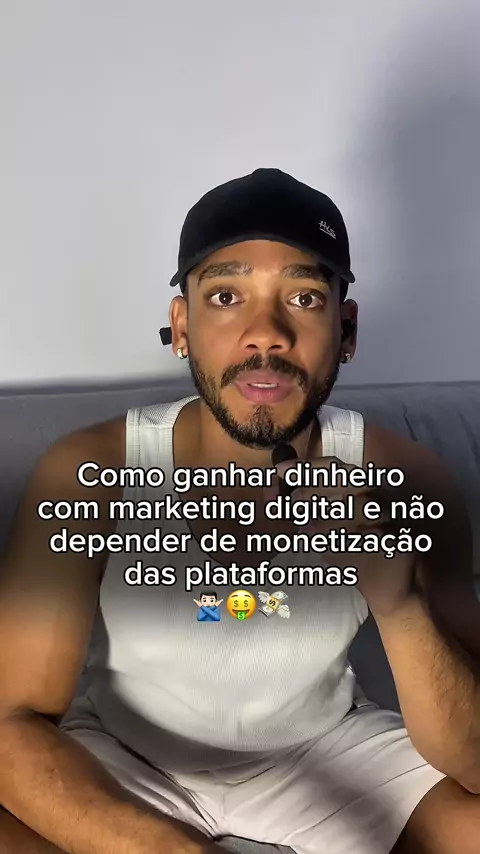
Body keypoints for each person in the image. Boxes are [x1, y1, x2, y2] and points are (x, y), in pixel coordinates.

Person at [0, 168, 479, 854]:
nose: (266, 334)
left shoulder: (407, 479)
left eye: (304, 297)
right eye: (226, 296)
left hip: (324, 748)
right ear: (182, 326)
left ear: (345, 330)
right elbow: (13, 721)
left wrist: (400, 605)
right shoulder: (88, 471)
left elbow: (474, 761)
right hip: (129, 754)